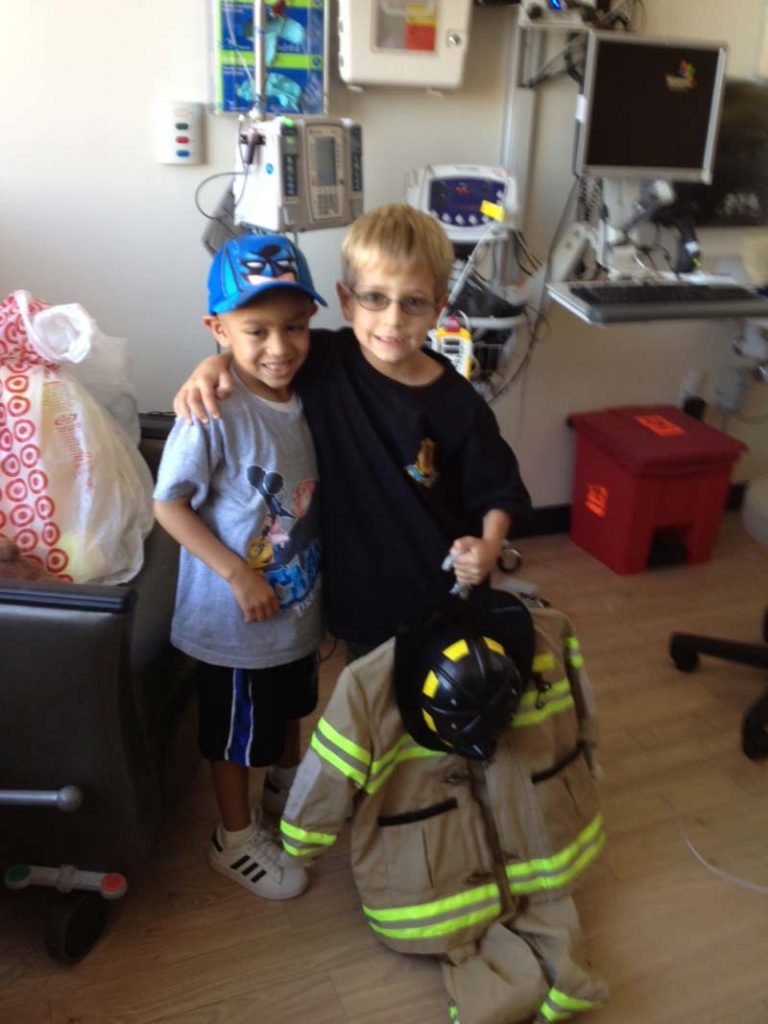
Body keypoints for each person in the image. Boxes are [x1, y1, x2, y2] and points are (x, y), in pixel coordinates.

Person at [174, 204, 531, 660]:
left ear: (439, 308)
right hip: (361, 596)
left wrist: (490, 544)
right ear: (345, 300)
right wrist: (213, 364)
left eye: (414, 302)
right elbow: (261, 348)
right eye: (375, 298)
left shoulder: (458, 404)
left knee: (443, 715)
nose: (393, 319)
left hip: (444, 589)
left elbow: (499, 489)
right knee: (370, 712)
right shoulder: (322, 360)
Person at [279, 587, 609, 1024]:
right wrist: (589, 755)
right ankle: (553, 983)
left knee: (484, 931)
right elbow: (329, 770)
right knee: (539, 909)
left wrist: (299, 846)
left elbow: (324, 776)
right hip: (520, 855)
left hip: (440, 879)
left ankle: (511, 996)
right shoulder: (369, 683)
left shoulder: (550, 633)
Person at [153, 233, 327, 899]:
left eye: (294, 328)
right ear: (217, 328)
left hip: (295, 609)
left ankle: (284, 792)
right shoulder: (211, 411)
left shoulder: (305, 394)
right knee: (235, 739)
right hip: (235, 622)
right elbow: (168, 505)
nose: (279, 347)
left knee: (290, 712)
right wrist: (236, 573)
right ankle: (233, 838)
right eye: (256, 330)